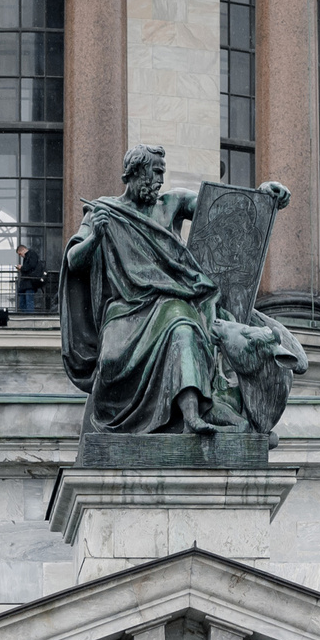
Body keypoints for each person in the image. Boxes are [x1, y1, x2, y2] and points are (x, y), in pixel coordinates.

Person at [58, 143, 303, 434]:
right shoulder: (103, 211)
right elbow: (74, 261)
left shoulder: (171, 203)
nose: (160, 180)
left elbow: (221, 208)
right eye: (155, 172)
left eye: (162, 173)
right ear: (135, 172)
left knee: (182, 326)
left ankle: (193, 415)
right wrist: (95, 237)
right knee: (111, 359)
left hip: (172, 300)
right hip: (126, 308)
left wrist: (263, 195)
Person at [16, 243, 46, 314]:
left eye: (20, 254)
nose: (20, 256)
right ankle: (27, 315)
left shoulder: (32, 254)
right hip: (27, 283)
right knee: (24, 303)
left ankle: (29, 315)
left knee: (28, 302)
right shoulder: (29, 256)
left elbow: (31, 266)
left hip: (29, 283)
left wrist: (22, 268)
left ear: (23, 250)